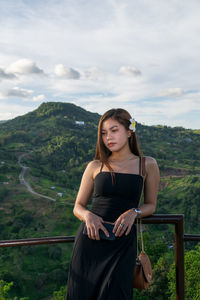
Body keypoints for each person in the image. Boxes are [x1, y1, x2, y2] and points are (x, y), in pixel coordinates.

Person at [66, 108, 160, 300]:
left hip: (122, 243)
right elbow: (78, 206)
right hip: (90, 242)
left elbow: (151, 205)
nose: (108, 137)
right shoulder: (95, 166)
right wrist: (88, 215)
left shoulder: (147, 164)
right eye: (103, 133)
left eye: (114, 130)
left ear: (129, 131)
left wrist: (134, 211)